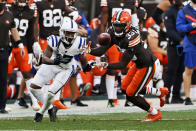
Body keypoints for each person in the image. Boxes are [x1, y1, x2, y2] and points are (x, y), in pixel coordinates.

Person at [87, 10, 169, 122]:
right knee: (126, 87)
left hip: (148, 64)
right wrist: (89, 50)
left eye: (120, 26)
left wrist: (104, 65)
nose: (117, 29)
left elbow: (122, 64)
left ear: (127, 25)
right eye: (115, 26)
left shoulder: (132, 36)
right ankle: (160, 92)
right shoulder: (112, 31)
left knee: (131, 94)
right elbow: (102, 50)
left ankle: (154, 113)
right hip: (138, 64)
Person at [30, 17, 92, 122]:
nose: (70, 36)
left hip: (66, 69)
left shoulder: (80, 42)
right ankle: (51, 108)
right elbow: (45, 58)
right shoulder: (54, 40)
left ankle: (40, 113)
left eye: (73, 34)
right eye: (68, 33)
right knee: (33, 88)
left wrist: (87, 66)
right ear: (62, 32)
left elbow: (83, 59)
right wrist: (54, 61)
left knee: (50, 93)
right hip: (52, 64)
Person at [100, 0, 136, 107]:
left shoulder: (132, 2)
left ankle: (128, 98)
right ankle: (111, 99)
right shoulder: (108, 2)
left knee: (126, 69)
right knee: (112, 69)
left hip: (127, 39)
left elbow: (135, 23)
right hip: (113, 39)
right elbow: (103, 23)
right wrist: (102, 43)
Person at [7, 0, 40, 110]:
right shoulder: (8, 9)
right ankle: (3, 104)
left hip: (23, 46)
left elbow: (31, 34)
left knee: (28, 73)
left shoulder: (30, 12)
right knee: (4, 75)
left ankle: (35, 102)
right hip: (8, 45)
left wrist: (31, 51)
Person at [0, 0, 25, 113]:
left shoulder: (8, 14)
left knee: (3, 79)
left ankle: (2, 106)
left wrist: (19, 44)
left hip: (3, 50)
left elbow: (13, 30)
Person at [164, 0, 185, 104]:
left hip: (184, 44)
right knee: (171, 71)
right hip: (174, 45)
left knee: (180, 71)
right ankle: (165, 96)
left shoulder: (185, 10)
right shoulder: (169, 12)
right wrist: (180, 40)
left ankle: (176, 96)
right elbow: (170, 30)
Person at [176, 0, 196, 105]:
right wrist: (192, 25)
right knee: (189, 70)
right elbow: (179, 28)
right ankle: (187, 97)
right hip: (191, 42)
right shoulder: (184, 10)